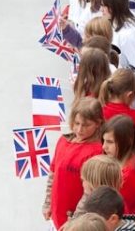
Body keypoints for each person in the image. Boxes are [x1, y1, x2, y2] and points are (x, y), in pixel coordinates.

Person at [42, 97, 104, 229]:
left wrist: (75, 221)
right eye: (76, 123)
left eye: (86, 125)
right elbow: (53, 174)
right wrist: (48, 203)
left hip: (75, 221)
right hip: (56, 214)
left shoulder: (97, 152)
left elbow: (90, 193)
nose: (80, 129)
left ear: (98, 123)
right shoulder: (63, 141)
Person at [102, 115, 135, 215]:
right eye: (103, 140)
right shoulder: (127, 161)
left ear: (127, 141)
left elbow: (112, 206)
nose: (104, 146)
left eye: (110, 142)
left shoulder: (128, 174)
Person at [99, 0, 135, 72]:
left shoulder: (127, 34)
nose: (101, 9)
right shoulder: (116, 23)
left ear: (114, 6)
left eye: (104, 6)